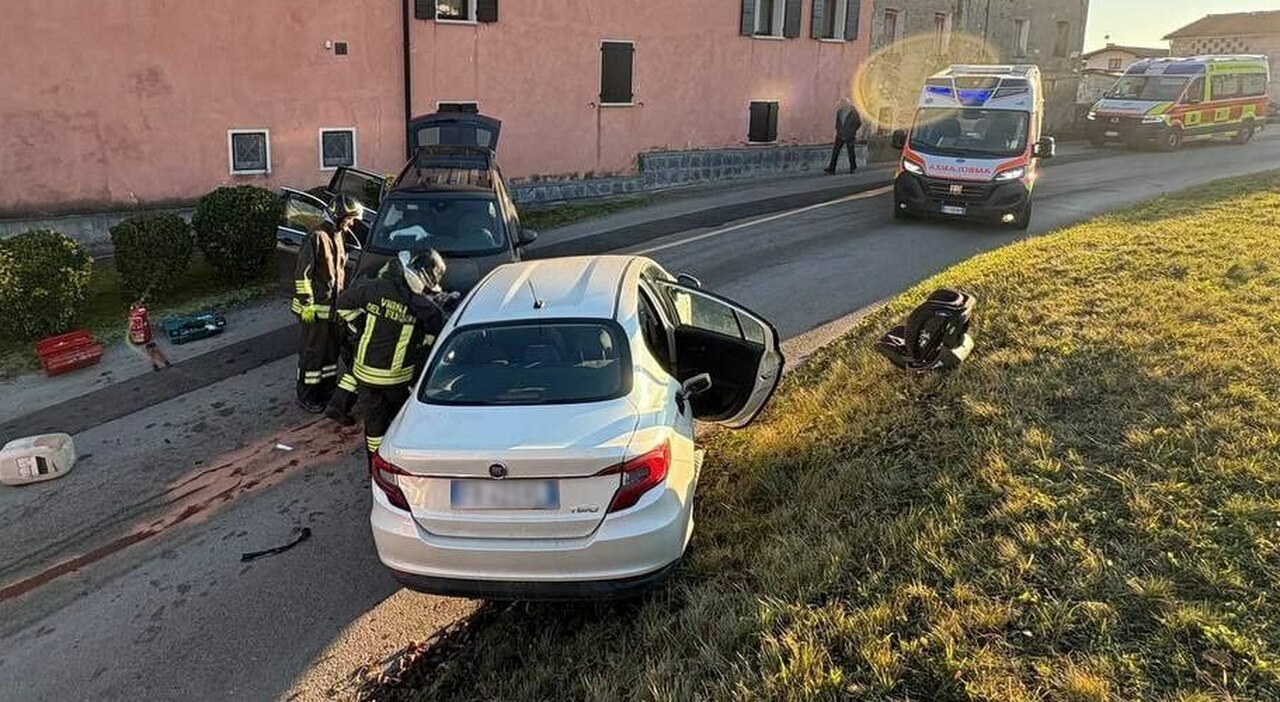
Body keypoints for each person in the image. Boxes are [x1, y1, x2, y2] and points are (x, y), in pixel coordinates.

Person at [337, 249, 460, 464]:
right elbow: (434, 345)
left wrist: (360, 327)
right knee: (403, 425)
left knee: (374, 427)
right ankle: (401, 467)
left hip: (365, 374)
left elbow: (342, 304)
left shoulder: (376, 288)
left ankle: (376, 467)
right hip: (397, 380)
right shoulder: (427, 309)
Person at [292, 195, 363, 413]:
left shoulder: (338, 236)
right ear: (338, 216)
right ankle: (307, 397)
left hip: (333, 312)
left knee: (330, 356)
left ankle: (326, 391)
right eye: (350, 219)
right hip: (314, 312)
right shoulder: (316, 237)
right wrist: (307, 305)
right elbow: (303, 275)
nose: (352, 223)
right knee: (313, 356)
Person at [825, 98, 863, 174]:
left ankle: (853, 168)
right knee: (835, 152)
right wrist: (838, 130)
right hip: (840, 135)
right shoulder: (839, 112)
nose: (841, 106)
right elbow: (838, 123)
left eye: (842, 104)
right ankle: (831, 169)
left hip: (849, 136)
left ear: (846, 104)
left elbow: (858, 123)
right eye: (840, 104)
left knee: (851, 152)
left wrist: (852, 132)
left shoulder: (854, 112)